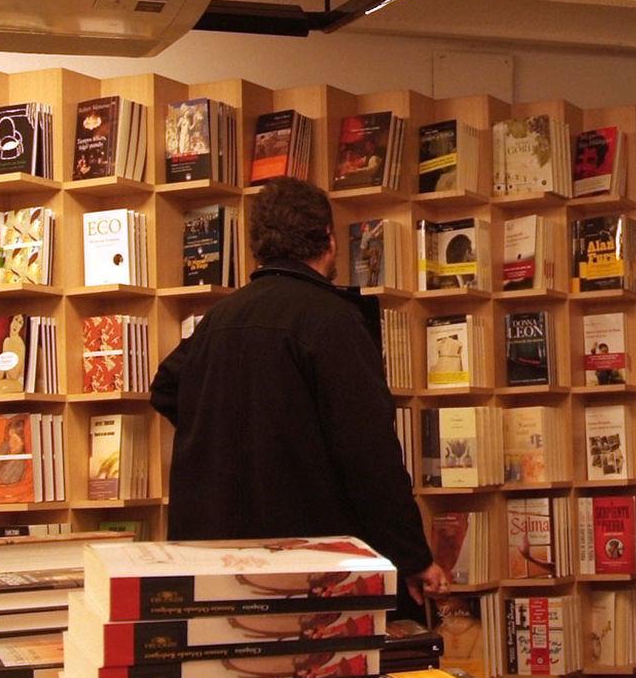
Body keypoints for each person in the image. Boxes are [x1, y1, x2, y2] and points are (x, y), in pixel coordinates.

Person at [152, 178, 446, 603]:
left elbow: (165, 386)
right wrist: (413, 557)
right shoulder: (333, 320)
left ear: (258, 246)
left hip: (214, 560)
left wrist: (228, 433)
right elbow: (369, 452)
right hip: (310, 561)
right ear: (328, 240)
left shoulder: (221, 317)